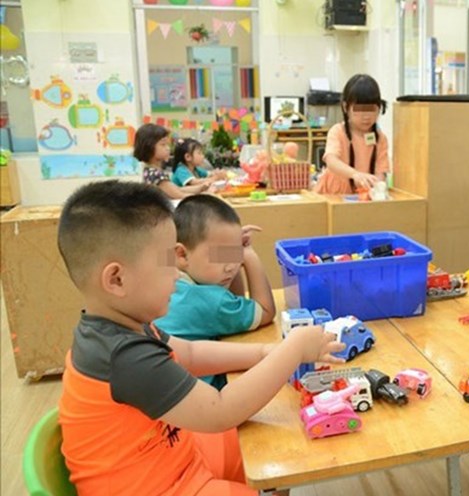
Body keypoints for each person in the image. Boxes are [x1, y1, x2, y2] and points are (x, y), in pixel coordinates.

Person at [56, 180, 344, 496]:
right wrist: (291, 350)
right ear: (117, 278)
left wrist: (265, 352)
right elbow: (220, 410)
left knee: (273, 446)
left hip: (173, 458)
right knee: (259, 438)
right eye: (166, 262)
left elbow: (190, 354)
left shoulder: (126, 328)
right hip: (160, 486)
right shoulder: (123, 356)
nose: (176, 274)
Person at [154, 195, 276, 390]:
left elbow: (233, 300)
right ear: (182, 254)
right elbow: (266, 311)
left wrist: (231, 248)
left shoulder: (168, 280)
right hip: (196, 402)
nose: (231, 267)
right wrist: (249, 255)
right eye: (220, 255)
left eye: (234, 254)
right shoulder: (205, 299)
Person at [313, 74, 390, 194]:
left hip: (362, 195)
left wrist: (377, 187)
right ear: (345, 107)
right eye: (359, 109)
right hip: (333, 193)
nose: (366, 116)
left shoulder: (380, 138)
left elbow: (381, 171)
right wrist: (354, 174)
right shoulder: (337, 131)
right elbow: (331, 160)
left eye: (371, 109)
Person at [134, 123, 210, 199]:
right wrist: (206, 195)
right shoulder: (155, 174)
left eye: (167, 144)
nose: (168, 148)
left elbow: (178, 189)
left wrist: (201, 188)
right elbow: (179, 195)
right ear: (149, 148)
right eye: (163, 144)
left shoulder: (151, 170)